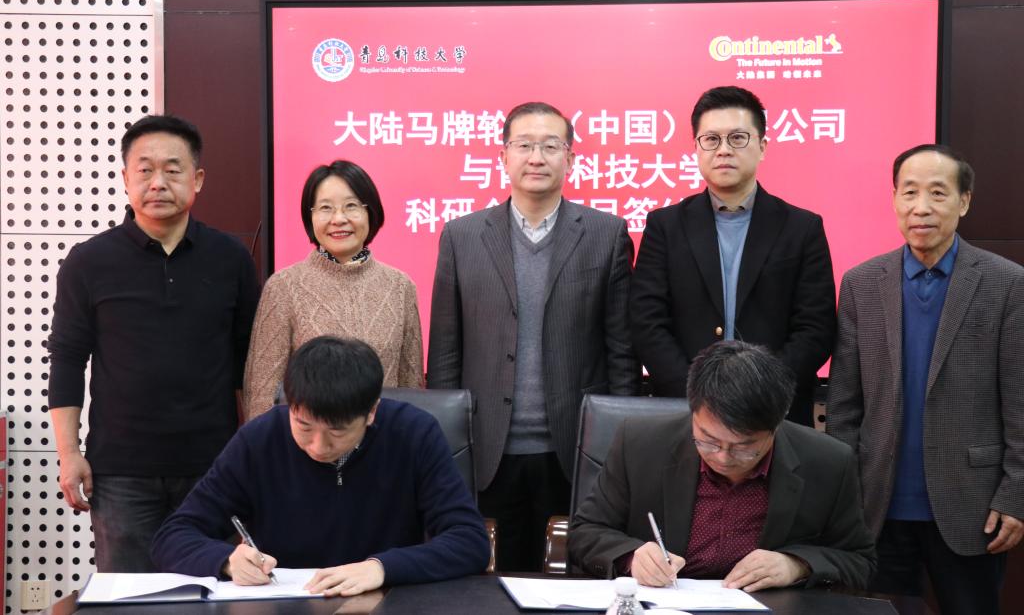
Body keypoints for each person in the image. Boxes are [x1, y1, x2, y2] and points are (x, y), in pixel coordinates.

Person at [427, 101, 639, 571]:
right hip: (486, 448)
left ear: (571, 158)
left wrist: (615, 440)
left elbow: (621, 351)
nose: (536, 157)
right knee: (487, 580)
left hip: (575, 447)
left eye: (550, 146)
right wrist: (450, 446)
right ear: (503, 156)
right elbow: (444, 353)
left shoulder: (606, 234)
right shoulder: (462, 236)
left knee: (575, 579)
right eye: (524, 145)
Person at [46, 114, 260, 572]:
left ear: (197, 179)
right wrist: (69, 454)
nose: (158, 182)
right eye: (144, 170)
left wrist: (252, 453)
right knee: (128, 597)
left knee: (216, 591)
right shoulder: (88, 262)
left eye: (172, 169)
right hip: (120, 472)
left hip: (212, 467)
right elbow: (66, 359)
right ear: (126, 178)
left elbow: (248, 362)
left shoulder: (231, 259)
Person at [827, 144, 1023, 614]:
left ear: (964, 201)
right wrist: (843, 495)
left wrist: (1016, 493)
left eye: (938, 193)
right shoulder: (860, 283)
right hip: (878, 506)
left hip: (973, 504)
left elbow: (1020, 402)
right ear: (894, 199)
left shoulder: (1007, 283)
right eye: (909, 192)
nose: (921, 207)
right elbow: (844, 406)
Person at [151, 335, 490, 597]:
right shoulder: (260, 439)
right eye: (304, 426)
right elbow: (173, 535)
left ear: (371, 412)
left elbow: (469, 540)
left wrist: (382, 567)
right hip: (286, 603)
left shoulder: (414, 434)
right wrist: (225, 560)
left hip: (384, 601)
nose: (317, 446)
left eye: (337, 432)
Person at [570, 341, 875, 592]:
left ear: (776, 425)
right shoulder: (640, 444)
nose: (723, 457)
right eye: (708, 441)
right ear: (693, 412)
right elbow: (585, 532)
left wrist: (797, 565)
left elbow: (859, 561)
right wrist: (631, 557)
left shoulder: (827, 462)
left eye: (744, 447)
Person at [630, 86, 835, 426]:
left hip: (775, 413)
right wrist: (696, 396)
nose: (723, 150)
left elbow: (816, 328)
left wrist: (760, 393)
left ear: (762, 146)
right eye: (711, 139)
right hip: (686, 413)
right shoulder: (665, 226)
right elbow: (646, 322)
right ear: (697, 148)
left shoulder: (802, 227)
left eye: (737, 138)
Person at [243, 160, 423, 420]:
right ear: (310, 216)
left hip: (384, 439)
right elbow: (263, 394)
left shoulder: (400, 287)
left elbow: (412, 387)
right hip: (307, 441)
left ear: (371, 212)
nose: (339, 219)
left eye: (351, 206)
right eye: (326, 208)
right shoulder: (284, 287)